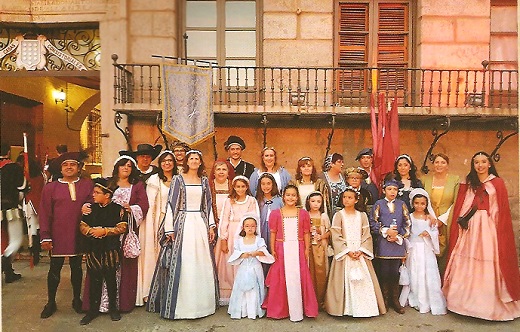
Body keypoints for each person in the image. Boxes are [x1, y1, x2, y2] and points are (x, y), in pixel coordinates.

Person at [443, 152, 520, 321]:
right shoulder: (468, 182)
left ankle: (487, 307)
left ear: (489, 164)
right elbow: (463, 204)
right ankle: (463, 304)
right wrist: (462, 223)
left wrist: (496, 229)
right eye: (477, 162)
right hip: (470, 226)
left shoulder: (497, 183)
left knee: (487, 262)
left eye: (483, 162)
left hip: (488, 226)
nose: (480, 165)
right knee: (467, 263)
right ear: (473, 165)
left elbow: (500, 209)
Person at [147, 150, 218, 320]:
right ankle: (182, 306)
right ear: (187, 161)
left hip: (199, 224)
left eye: (197, 158)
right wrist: (170, 229)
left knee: (201, 262)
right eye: (191, 158)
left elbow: (208, 205)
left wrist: (211, 226)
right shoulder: (178, 179)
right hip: (183, 223)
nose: (194, 161)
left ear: (200, 162)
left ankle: (203, 306)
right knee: (184, 262)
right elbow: (171, 205)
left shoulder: (204, 181)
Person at [82, 155, 149, 313]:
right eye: (123, 165)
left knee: (118, 268)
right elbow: (92, 198)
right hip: (101, 232)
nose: (126, 168)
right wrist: (85, 206)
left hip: (123, 231)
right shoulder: (107, 182)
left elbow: (143, 205)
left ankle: (117, 305)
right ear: (117, 167)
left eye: (129, 166)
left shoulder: (137, 185)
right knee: (98, 266)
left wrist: (132, 208)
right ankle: (95, 305)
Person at [39, 152, 94, 318]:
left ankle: (77, 300)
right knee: (54, 269)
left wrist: (88, 205)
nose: (69, 167)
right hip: (58, 235)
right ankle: (51, 302)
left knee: (77, 268)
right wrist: (45, 235)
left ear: (78, 168)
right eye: (65, 165)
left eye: (72, 164)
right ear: (60, 169)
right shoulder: (50, 188)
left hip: (79, 233)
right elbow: (44, 213)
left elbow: (94, 201)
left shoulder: (87, 184)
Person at [324, 187, 386, 317]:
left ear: (356, 200)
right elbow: (336, 234)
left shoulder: (362, 215)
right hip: (345, 253)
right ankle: (344, 308)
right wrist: (346, 251)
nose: (346, 200)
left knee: (364, 280)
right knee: (343, 280)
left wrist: (361, 250)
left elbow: (366, 235)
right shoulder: (338, 215)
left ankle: (365, 308)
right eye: (345, 197)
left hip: (360, 253)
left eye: (350, 197)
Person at [262, 185, 318, 322]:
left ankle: (300, 309)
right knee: (281, 276)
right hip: (282, 248)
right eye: (288, 195)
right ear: (283, 196)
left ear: (297, 197)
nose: (290, 198)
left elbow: (306, 233)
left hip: (298, 248)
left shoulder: (303, 213)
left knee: (299, 276)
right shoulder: (276, 213)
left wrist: (306, 248)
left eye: (293, 195)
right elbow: (273, 233)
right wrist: (273, 249)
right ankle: (281, 309)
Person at [79, 178, 128, 325]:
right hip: (93, 250)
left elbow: (122, 227)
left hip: (110, 250)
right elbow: (82, 225)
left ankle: (113, 309)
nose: (93, 195)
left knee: (111, 279)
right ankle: (93, 310)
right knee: (94, 280)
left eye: (97, 192)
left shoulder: (117, 209)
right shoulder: (91, 209)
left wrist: (105, 231)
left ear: (107, 195)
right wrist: (92, 231)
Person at [136, 150, 177, 307]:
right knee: (157, 256)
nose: (167, 163)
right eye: (164, 161)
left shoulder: (179, 179)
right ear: (160, 164)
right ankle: (154, 293)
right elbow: (151, 204)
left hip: (176, 221)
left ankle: (171, 292)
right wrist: (153, 226)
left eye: (169, 161)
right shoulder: (154, 179)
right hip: (158, 221)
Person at [399, 188, 447, 315]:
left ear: (426, 204)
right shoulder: (409, 217)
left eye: (422, 203)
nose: (419, 206)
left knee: (427, 273)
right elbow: (407, 234)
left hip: (426, 250)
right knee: (414, 273)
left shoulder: (429, 218)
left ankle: (428, 298)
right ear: (412, 203)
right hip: (413, 249)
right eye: (416, 203)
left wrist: (429, 233)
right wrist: (406, 250)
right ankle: (415, 297)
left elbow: (435, 232)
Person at [215, 175, 260, 305]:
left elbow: (255, 218)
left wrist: (253, 237)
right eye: (238, 186)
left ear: (247, 187)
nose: (240, 189)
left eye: (243, 186)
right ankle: (229, 293)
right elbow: (224, 219)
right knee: (230, 263)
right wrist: (223, 238)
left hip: (245, 233)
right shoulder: (229, 201)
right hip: (231, 234)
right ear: (234, 187)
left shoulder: (251, 201)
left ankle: (246, 293)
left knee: (244, 262)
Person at [370, 178, 410, 314]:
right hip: (384, 243)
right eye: (389, 189)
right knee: (384, 272)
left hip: (397, 244)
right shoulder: (379, 204)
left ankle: (395, 300)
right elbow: (373, 222)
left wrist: (399, 235)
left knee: (395, 272)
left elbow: (407, 223)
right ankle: (385, 300)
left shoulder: (402, 204)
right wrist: (386, 231)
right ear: (384, 190)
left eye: (395, 189)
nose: (392, 192)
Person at [227, 214, 274, 319]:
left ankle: (254, 311)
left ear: (256, 227)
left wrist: (256, 253)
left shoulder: (259, 240)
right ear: (243, 227)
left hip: (255, 267)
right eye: (247, 226)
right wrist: (242, 255)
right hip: (243, 268)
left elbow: (264, 252)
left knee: (255, 288)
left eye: (253, 226)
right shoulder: (239, 241)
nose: (250, 228)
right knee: (242, 287)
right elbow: (236, 253)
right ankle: (242, 311)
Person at [421, 153, 459, 275]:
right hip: (428, 218)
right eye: (437, 162)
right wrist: (429, 215)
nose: (439, 165)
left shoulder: (455, 180)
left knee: (446, 249)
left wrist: (442, 220)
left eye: (443, 162)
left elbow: (456, 202)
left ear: (447, 165)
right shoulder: (425, 180)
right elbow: (420, 200)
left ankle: (444, 281)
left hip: (448, 219)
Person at [1, 145, 27, 283]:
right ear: (9, 152)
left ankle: (8, 270)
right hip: (10, 207)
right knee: (15, 240)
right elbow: (22, 187)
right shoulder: (14, 168)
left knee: (2, 240)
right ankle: (4, 263)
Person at [305, 191, 331, 306]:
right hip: (309, 247)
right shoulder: (305, 215)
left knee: (322, 272)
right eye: (313, 201)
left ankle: (321, 299)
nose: (316, 204)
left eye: (319, 201)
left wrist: (322, 236)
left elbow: (330, 231)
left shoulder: (323, 216)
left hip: (321, 247)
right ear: (308, 202)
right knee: (309, 272)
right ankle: (310, 299)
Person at [209, 159, 235, 227]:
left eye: (224, 169)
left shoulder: (234, 185)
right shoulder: (209, 185)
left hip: (231, 224)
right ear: (214, 172)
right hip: (212, 223)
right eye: (218, 169)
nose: (221, 172)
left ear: (228, 172)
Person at [319, 153, 347, 217]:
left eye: (342, 162)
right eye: (339, 162)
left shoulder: (344, 177)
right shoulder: (322, 178)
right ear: (331, 164)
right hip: (328, 213)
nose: (342, 164)